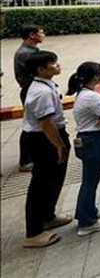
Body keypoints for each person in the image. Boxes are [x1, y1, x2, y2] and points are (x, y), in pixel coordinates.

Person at [22, 51, 72, 248]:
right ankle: (33, 232)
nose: (57, 65)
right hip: (44, 139)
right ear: (40, 69)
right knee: (41, 184)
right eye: (52, 63)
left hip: (51, 136)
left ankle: (47, 216)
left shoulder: (46, 84)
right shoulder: (40, 92)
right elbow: (45, 123)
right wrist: (59, 145)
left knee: (55, 178)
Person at [69, 62, 100, 236]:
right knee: (90, 182)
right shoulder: (91, 97)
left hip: (89, 140)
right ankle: (87, 222)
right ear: (97, 77)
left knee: (90, 180)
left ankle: (88, 211)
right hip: (93, 141)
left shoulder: (84, 93)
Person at [14, 23, 44, 172]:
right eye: (40, 32)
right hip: (30, 90)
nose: (43, 34)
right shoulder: (25, 53)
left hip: (33, 89)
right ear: (32, 35)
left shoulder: (31, 50)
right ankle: (25, 161)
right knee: (30, 125)